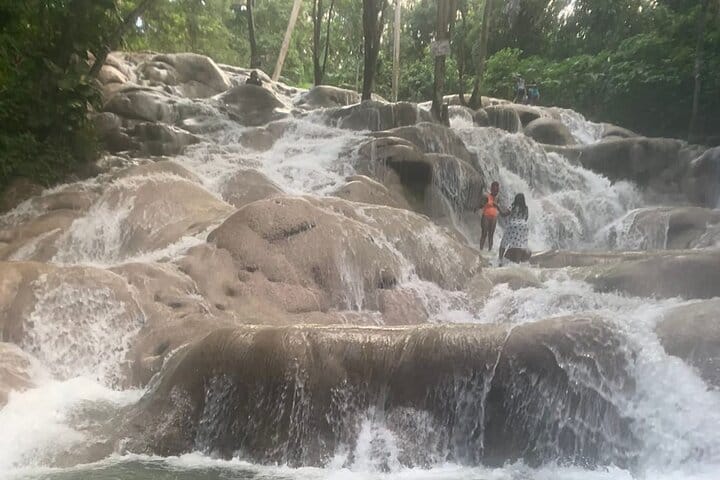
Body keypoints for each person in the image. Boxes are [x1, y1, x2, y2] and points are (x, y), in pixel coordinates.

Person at [499, 193, 531, 263]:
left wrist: (497, 208)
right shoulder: (525, 208)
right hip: (523, 226)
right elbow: (526, 218)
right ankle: (519, 260)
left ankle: (500, 259)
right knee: (520, 244)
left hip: (513, 225)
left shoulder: (512, 206)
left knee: (503, 242)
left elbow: (504, 214)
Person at [478, 181, 505, 251]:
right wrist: (481, 205)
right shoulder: (486, 196)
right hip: (486, 216)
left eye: (497, 190)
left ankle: (490, 251)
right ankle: (481, 250)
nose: (496, 192)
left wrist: (498, 206)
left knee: (491, 235)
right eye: (495, 190)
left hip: (494, 217)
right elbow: (481, 205)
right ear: (491, 189)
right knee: (484, 234)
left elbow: (499, 208)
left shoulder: (498, 198)